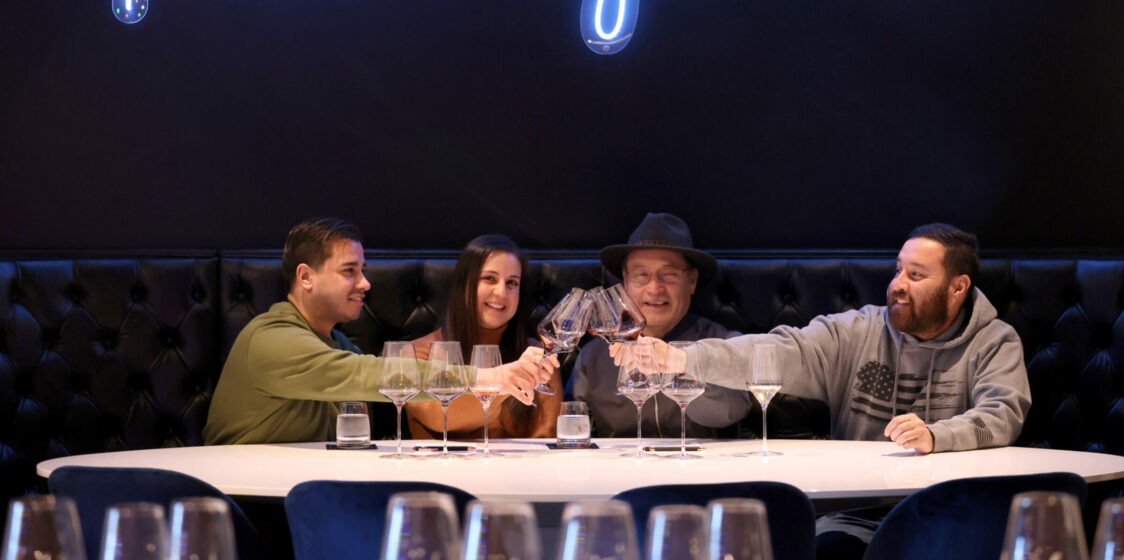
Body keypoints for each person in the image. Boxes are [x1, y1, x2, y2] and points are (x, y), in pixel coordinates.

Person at [620, 223, 1031, 559]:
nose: (898, 284)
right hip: (857, 514)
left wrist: (937, 436)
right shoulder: (859, 331)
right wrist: (683, 358)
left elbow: (1002, 414)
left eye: (916, 275)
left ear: (958, 287)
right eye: (898, 270)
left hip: (953, 512)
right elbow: (776, 351)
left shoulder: (994, 340)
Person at [203, 218, 549, 445]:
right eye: (349, 271)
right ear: (306, 276)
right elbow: (371, 374)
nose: (365, 283)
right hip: (239, 503)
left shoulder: (336, 343)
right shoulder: (270, 338)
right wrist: (489, 378)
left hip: (294, 493)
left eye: (362, 270)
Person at [570, 212, 752, 438]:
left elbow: (731, 411)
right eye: (641, 274)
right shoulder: (593, 356)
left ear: (692, 281)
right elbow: (573, 429)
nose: (655, 288)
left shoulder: (724, 344)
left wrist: (677, 364)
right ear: (625, 281)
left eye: (669, 274)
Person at [407, 235, 561, 440]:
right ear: (464, 285)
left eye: (512, 283)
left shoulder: (535, 354)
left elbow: (546, 437)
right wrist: (505, 381)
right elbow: (438, 416)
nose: (501, 292)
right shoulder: (417, 352)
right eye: (489, 279)